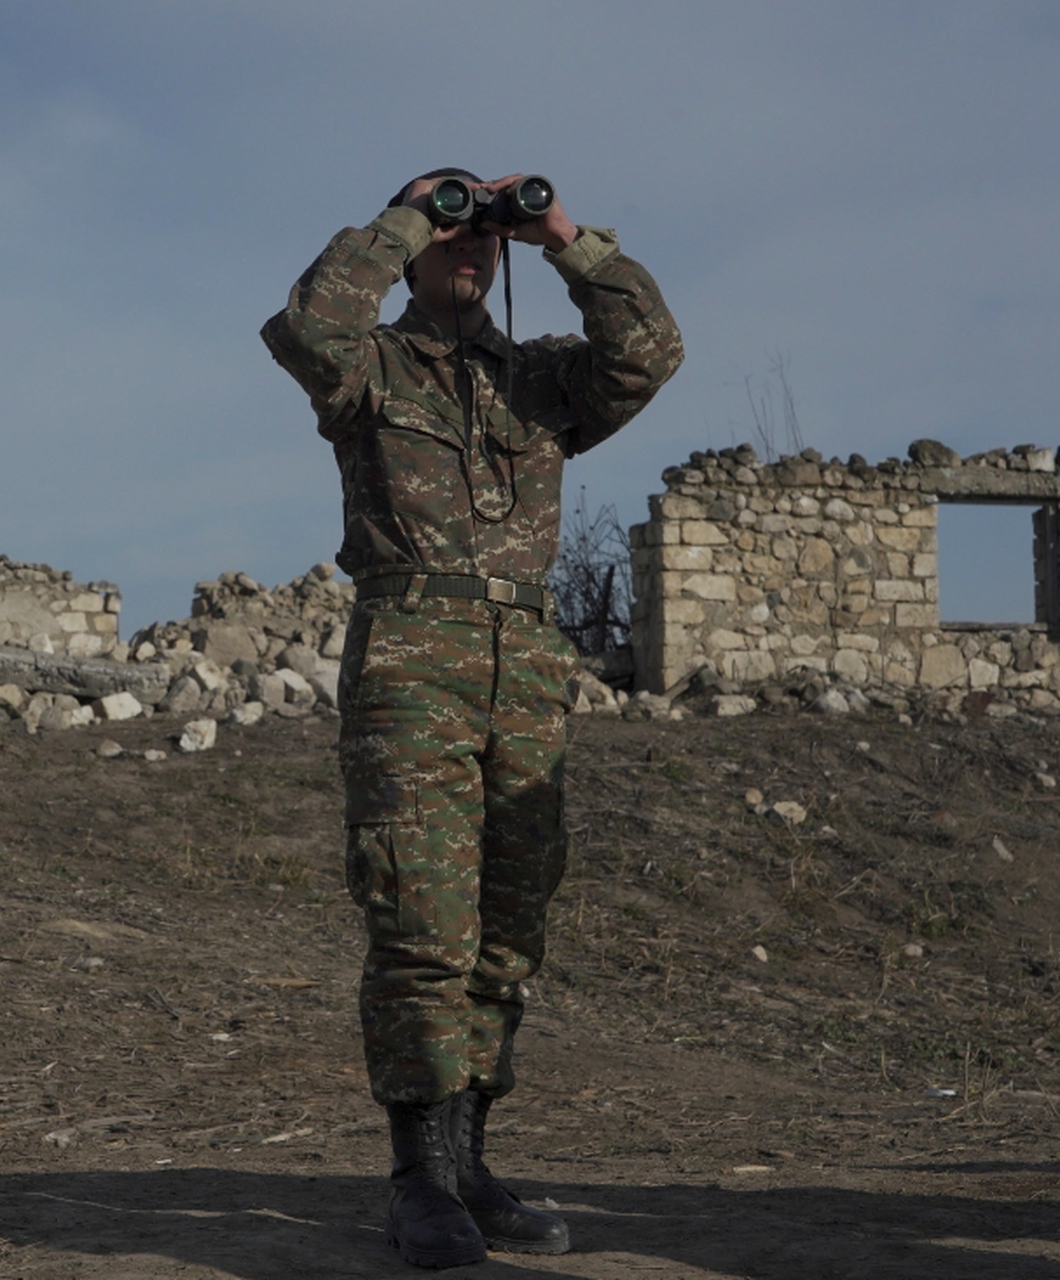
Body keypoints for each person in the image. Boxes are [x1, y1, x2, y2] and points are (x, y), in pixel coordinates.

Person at [260, 170, 683, 1268]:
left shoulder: (540, 380)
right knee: (419, 920)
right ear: (408, 250)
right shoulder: (369, 366)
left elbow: (648, 350)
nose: (465, 248)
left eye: (477, 237)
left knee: (507, 930)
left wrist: (557, 234)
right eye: (448, 234)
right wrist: (406, 211)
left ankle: (469, 1160)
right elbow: (308, 325)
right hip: (410, 663)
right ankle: (418, 1179)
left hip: (526, 673)